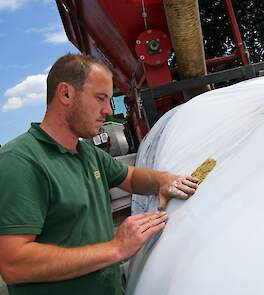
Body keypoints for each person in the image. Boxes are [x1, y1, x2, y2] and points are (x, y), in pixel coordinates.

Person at [0, 53, 198, 295]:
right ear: (65, 94)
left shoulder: (88, 154)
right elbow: (13, 263)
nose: (107, 110)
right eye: (100, 98)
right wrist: (116, 248)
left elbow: (131, 177)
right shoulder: (21, 161)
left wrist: (164, 180)